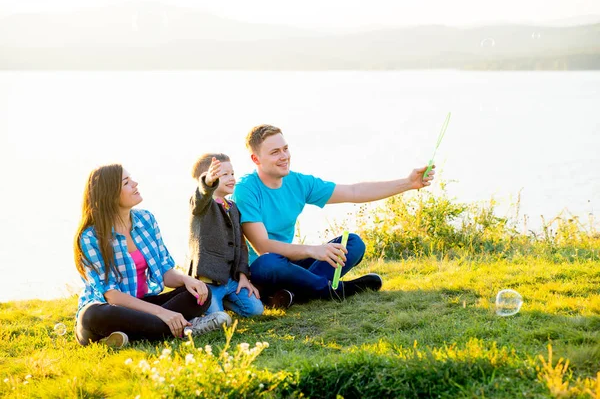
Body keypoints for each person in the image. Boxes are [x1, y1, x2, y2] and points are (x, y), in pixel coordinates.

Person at [232, 124, 436, 305]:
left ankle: (295, 294)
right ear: (255, 159)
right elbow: (263, 246)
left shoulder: (299, 182)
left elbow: (354, 192)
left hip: (292, 265)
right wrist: (313, 250)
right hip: (261, 271)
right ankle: (336, 290)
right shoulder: (246, 189)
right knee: (269, 261)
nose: (284, 156)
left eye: (285, 149)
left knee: (352, 243)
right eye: (275, 152)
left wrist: (409, 183)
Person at [74, 164, 231, 348]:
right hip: (107, 310)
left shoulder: (146, 220)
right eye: (126, 182)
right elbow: (112, 296)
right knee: (92, 315)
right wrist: (161, 313)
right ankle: (186, 329)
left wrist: (188, 280)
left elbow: (166, 271)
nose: (135, 183)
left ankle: (127, 336)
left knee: (200, 293)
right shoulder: (90, 237)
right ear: (109, 193)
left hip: (141, 306)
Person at [187, 153, 264, 317]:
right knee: (218, 318)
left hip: (231, 281)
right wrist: (208, 183)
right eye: (224, 175)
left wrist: (243, 276)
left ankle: (226, 301)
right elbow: (201, 196)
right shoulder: (201, 206)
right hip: (208, 283)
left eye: (232, 174)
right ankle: (214, 305)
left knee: (256, 311)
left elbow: (241, 245)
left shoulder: (232, 207)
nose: (231, 178)